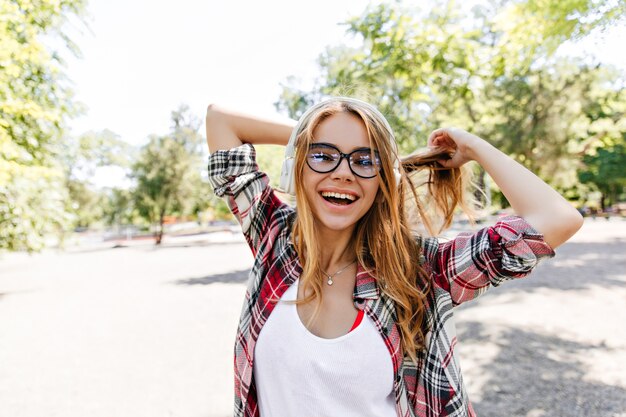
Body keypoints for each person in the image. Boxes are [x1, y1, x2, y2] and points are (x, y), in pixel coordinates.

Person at [205, 97, 583, 417]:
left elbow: (557, 219)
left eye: (364, 161)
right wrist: (314, 136)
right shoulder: (275, 238)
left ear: (382, 180)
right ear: (298, 166)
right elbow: (221, 119)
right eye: (322, 157)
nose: (343, 173)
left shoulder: (421, 269)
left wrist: (473, 147)